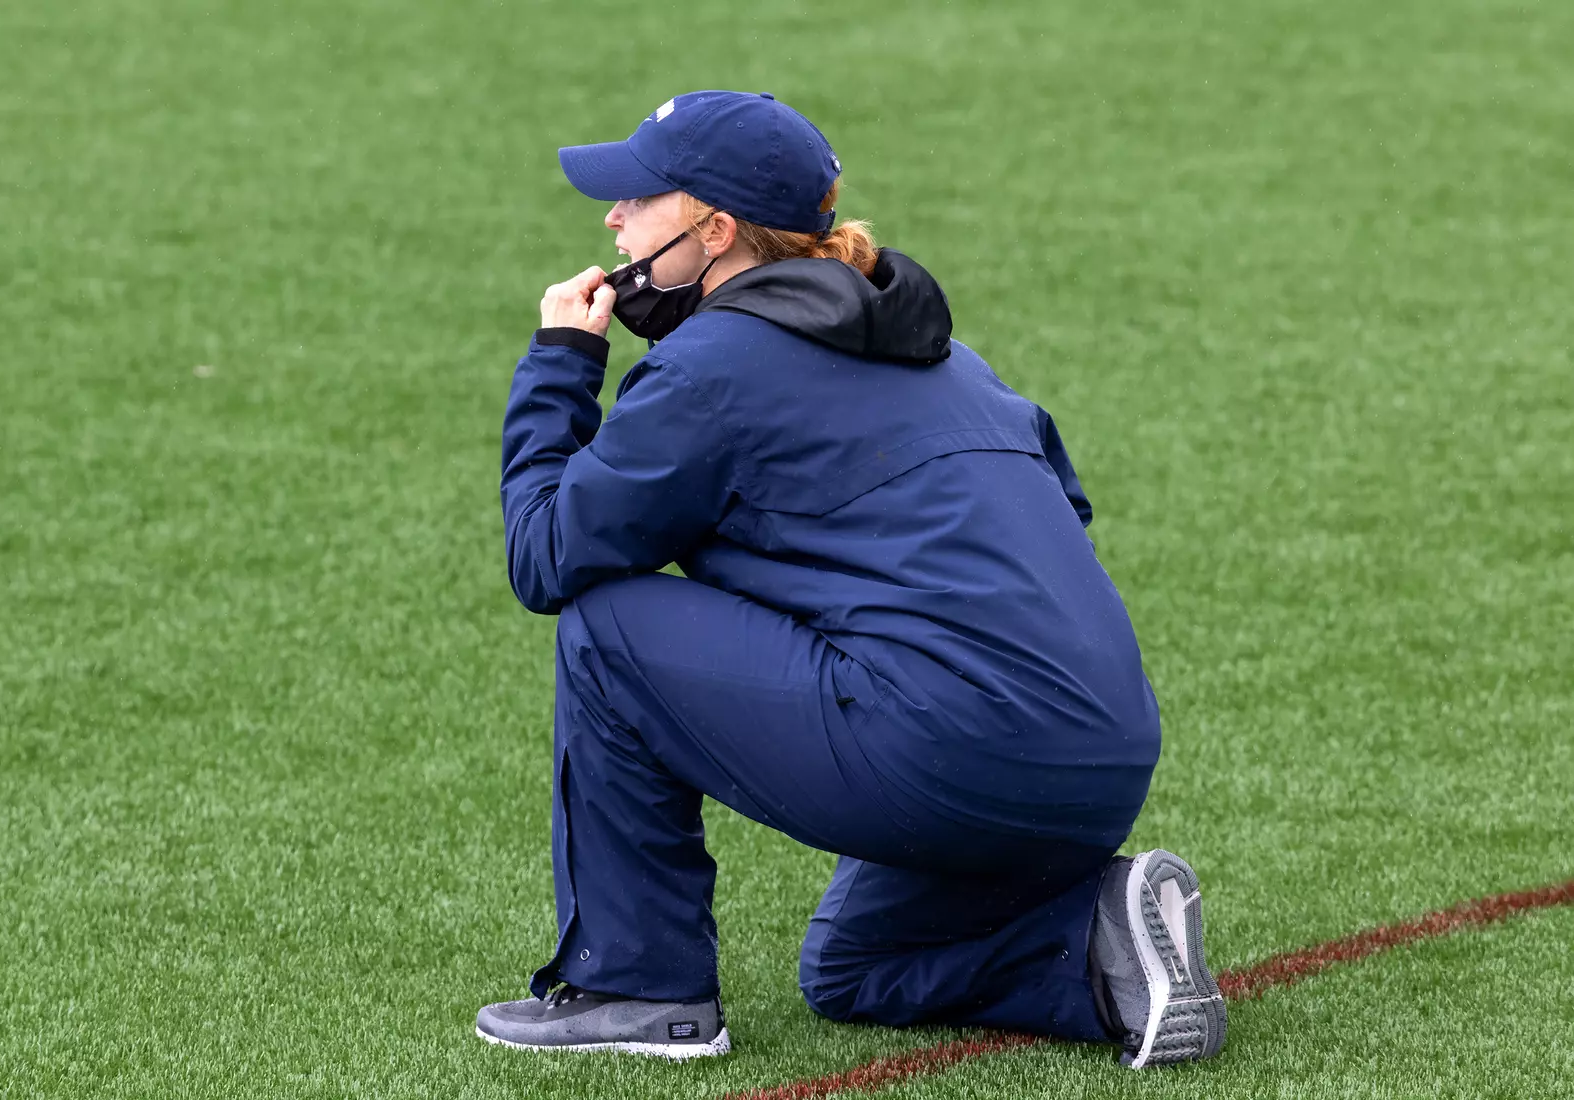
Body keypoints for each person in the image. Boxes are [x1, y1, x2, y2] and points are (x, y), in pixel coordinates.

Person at [479, 90, 1226, 1069]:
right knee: (859, 964)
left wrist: (561, 361)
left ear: (713, 229)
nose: (613, 219)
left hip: (948, 747)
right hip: (1102, 757)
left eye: (636, 198)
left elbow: (546, 557)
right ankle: (1097, 935)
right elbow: (1063, 517)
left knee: (608, 623)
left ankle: (638, 984)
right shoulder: (956, 360)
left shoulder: (712, 367)